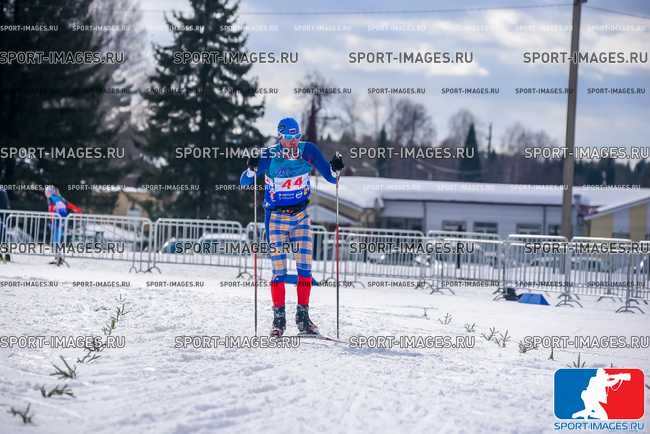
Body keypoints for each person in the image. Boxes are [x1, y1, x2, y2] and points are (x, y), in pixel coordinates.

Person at [240, 117, 344, 337]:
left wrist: (335, 169)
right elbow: (244, 182)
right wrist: (251, 169)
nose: (293, 142)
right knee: (279, 271)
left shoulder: (308, 151)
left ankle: (303, 318)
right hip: (276, 217)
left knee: (305, 270)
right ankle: (279, 320)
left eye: (296, 137)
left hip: (300, 216)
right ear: (280, 137)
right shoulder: (269, 155)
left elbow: (331, 177)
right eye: (289, 138)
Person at [44, 186, 81, 265]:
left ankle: (58, 257)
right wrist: (77, 210)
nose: (46, 193)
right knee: (57, 240)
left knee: (56, 240)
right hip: (58, 221)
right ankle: (58, 257)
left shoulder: (53, 198)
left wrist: (55, 218)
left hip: (57, 221)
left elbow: (57, 209)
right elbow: (69, 205)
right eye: (46, 192)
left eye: (48, 192)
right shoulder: (58, 198)